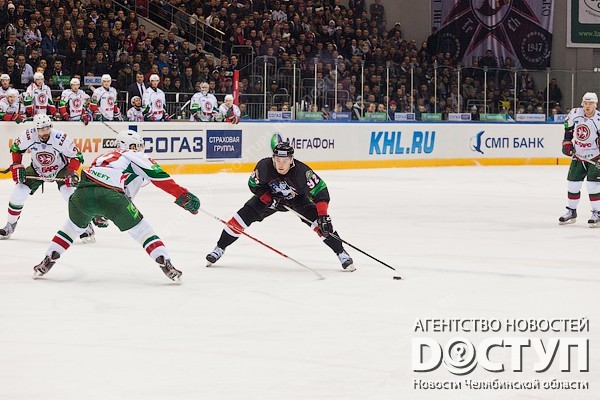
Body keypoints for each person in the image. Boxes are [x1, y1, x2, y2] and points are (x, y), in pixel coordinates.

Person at [32, 130, 201, 283]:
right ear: (131, 146)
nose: (139, 149)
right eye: (137, 146)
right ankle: (165, 261)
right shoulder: (135, 156)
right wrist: (183, 196)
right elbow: (160, 178)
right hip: (111, 197)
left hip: (81, 196)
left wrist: (99, 213)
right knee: (142, 230)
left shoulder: (102, 157)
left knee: (71, 228)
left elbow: (98, 186)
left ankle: (48, 259)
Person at [205, 141, 355, 272]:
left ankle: (341, 253)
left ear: (291, 160)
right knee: (242, 217)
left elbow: (320, 191)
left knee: (321, 224)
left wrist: (322, 215)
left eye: (285, 160)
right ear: (273, 159)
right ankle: (219, 248)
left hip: (297, 199)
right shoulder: (264, 167)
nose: (281, 164)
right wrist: (267, 198)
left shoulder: (302, 172)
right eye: (277, 160)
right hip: (270, 198)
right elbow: (253, 185)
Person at [0, 114, 95, 241]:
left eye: (47, 128)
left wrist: (71, 171)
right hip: (37, 169)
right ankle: (10, 225)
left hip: (60, 169)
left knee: (70, 195)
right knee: (18, 192)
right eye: (41, 130)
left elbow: (77, 156)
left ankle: (86, 226)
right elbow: (16, 149)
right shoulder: (28, 135)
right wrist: (17, 164)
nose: (45, 133)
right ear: (36, 129)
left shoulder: (60, 138)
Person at [559, 92, 600, 227]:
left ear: (595, 104)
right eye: (585, 103)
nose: (587, 106)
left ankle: (597, 213)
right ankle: (571, 211)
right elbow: (568, 129)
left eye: (591, 103)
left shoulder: (599, 119)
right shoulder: (575, 113)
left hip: (595, 157)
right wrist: (567, 142)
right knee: (573, 184)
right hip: (578, 155)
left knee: (593, 186)